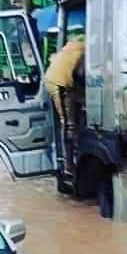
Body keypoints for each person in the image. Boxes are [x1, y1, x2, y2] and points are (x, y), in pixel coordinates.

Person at [43, 35, 85, 175]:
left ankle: (76, 154)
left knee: (78, 114)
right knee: (68, 123)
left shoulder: (77, 43)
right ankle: (68, 165)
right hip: (59, 83)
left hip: (64, 80)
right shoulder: (86, 51)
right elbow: (81, 73)